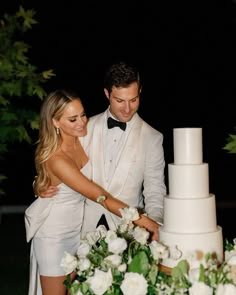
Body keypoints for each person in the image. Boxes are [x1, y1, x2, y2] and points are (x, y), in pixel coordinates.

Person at [24, 89, 160, 295]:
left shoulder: (82, 138)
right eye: (72, 119)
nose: (81, 123)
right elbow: (100, 196)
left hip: (77, 232)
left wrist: (39, 183)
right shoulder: (57, 159)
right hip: (54, 235)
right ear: (55, 122)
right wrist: (142, 220)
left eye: (82, 115)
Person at [42, 61, 166, 236]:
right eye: (120, 101)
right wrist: (39, 184)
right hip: (81, 227)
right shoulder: (84, 127)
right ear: (107, 93)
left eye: (133, 100)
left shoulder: (153, 138)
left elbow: (155, 190)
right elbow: (58, 160)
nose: (127, 108)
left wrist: (154, 224)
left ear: (140, 92)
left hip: (128, 230)